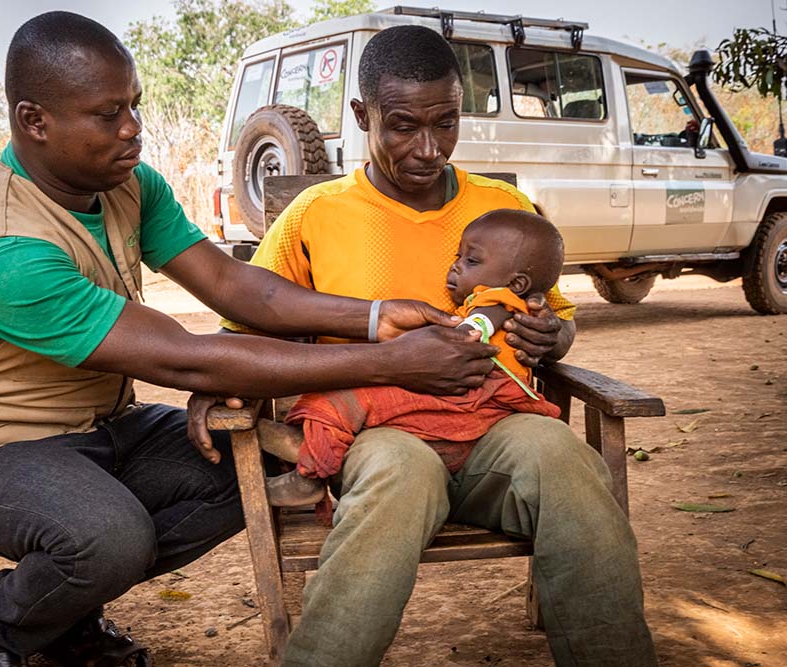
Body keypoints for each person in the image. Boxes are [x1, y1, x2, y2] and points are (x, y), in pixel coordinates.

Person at [0, 12, 504, 667]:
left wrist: (374, 315)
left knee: (259, 461)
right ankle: (10, 623)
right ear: (34, 120)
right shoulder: (8, 256)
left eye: (134, 105)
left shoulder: (126, 185)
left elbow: (236, 284)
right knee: (111, 538)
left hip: (106, 426)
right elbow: (183, 356)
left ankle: (68, 605)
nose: (133, 127)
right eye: (108, 114)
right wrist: (394, 361)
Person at [204, 24, 658, 667]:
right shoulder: (316, 213)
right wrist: (214, 384)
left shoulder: (502, 208)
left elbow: (557, 315)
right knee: (398, 474)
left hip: (497, 427)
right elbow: (246, 325)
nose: (428, 148)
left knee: (567, 463)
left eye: (445, 123)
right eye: (402, 126)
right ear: (363, 116)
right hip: (380, 434)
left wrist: (554, 336)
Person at [262, 208, 566, 507]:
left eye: (471, 260)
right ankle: (311, 457)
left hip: (475, 392)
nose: (457, 267)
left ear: (517, 285)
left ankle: (308, 451)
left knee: (351, 396)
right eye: (457, 257)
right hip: (467, 396)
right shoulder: (314, 208)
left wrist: (430, 344)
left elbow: (471, 333)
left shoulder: (497, 300)